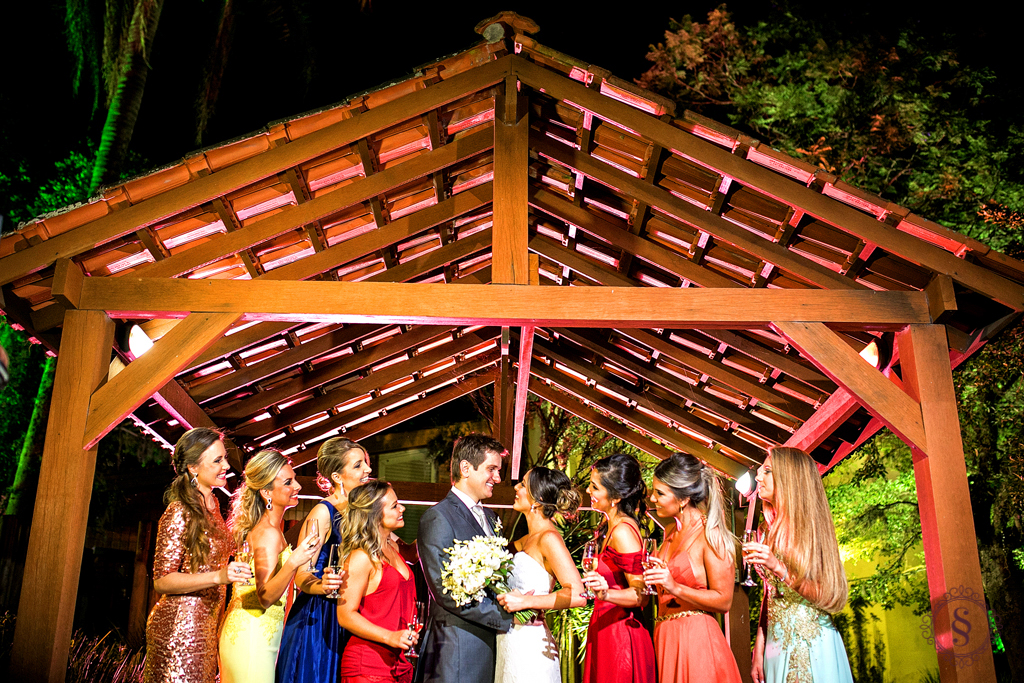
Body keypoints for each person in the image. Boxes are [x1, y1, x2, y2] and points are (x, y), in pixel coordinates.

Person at [143, 428, 252, 683]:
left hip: (208, 626)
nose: (226, 466)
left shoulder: (213, 504)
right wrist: (219, 577)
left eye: (225, 458)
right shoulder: (179, 510)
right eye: (217, 460)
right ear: (193, 467)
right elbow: (162, 580)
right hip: (181, 628)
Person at [744, 447, 853, 683]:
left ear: (790, 478)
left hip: (810, 641)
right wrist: (759, 648)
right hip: (775, 643)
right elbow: (770, 593)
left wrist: (778, 567)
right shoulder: (765, 530)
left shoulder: (810, 529)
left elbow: (827, 595)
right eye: (760, 470)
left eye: (767, 471)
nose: (758, 477)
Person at [219, 450, 323, 683]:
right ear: (266, 492)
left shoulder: (271, 528)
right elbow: (264, 596)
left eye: (294, 479)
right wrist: (294, 561)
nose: (297, 486)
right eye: (288, 482)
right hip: (252, 636)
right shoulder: (268, 533)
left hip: (258, 635)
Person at [417, 433, 514, 683]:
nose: (497, 478)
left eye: (499, 471)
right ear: (466, 468)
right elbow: (445, 590)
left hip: (493, 644)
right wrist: (506, 617)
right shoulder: (438, 517)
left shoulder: (491, 517)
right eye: (491, 469)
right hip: (459, 648)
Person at [276, 438, 370, 683]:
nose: (368, 469)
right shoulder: (323, 512)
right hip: (319, 618)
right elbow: (301, 575)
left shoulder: (365, 512)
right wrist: (323, 585)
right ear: (337, 477)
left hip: (351, 611)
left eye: (365, 463)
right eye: (358, 465)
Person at [642, 453, 742, 683]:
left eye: (660, 493)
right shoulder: (669, 532)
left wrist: (675, 587)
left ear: (683, 499)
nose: (652, 498)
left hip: (697, 641)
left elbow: (724, 600)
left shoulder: (711, 535)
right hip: (666, 636)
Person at [494, 467, 588, 683]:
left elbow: (578, 595)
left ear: (538, 499)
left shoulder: (549, 538)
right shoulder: (525, 540)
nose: (516, 488)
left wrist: (526, 602)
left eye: (523, 484)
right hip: (509, 642)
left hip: (531, 644)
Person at [580, 452, 656, 683]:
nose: (588, 491)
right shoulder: (610, 526)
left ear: (615, 497)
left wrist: (606, 594)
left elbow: (641, 595)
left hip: (621, 633)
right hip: (606, 626)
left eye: (595, 487)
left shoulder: (623, 531)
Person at [336, 480, 420, 683]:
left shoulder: (392, 547)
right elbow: (345, 616)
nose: (402, 508)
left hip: (398, 663)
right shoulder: (361, 557)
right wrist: (390, 637)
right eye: (394, 506)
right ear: (374, 515)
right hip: (368, 665)